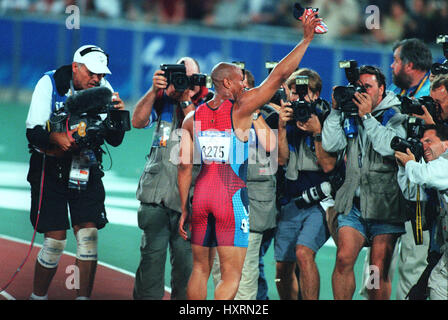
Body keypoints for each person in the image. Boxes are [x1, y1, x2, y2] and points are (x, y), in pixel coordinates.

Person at [177, 10, 321, 300]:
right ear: (227, 83)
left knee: (200, 271)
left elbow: (183, 168)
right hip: (231, 198)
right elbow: (279, 75)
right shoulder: (241, 109)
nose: (245, 85)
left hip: (201, 195)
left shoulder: (192, 118)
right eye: (241, 81)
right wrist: (305, 40)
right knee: (232, 276)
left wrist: (184, 208)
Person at [25, 44, 126, 300]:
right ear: (75, 68)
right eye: (92, 73)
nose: (97, 79)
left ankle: (83, 298)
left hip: (85, 164)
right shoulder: (49, 83)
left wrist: (117, 117)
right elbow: (33, 132)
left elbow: (115, 140)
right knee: (55, 242)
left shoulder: (104, 90)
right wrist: (56, 138)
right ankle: (38, 296)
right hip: (50, 167)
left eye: (102, 74)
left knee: (89, 236)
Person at [322, 65, 407, 300]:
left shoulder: (396, 114)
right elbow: (331, 145)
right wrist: (336, 112)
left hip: (385, 205)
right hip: (354, 204)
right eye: (359, 87)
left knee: (376, 270)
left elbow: (388, 147)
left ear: (381, 89)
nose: (362, 92)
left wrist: (367, 117)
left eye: (368, 87)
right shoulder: (351, 112)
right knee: (343, 258)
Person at [132, 57, 211, 300]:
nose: (182, 82)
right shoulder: (163, 99)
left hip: (190, 201)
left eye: (188, 78)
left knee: (187, 270)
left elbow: (203, 140)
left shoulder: (210, 103)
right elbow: (137, 121)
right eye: (179, 75)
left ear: (198, 80)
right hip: (156, 195)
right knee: (150, 263)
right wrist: (153, 90)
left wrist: (186, 100)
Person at [210, 69, 279, 300]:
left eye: (248, 88)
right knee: (221, 274)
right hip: (221, 206)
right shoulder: (217, 113)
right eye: (240, 87)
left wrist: (254, 113)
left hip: (253, 208)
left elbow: (271, 147)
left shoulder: (267, 114)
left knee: (246, 276)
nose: (243, 91)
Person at [274, 68, 338, 300]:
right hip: (290, 202)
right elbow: (281, 160)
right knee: (282, 267)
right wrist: (281, 128)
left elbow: (329, 166)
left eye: (305, 93)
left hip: (319, 204)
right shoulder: (285, 118)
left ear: (317, 94)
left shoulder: (330, 119)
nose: (299, 98)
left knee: (303, 253)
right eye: (294, 92)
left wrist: (317, 132)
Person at [386, 38, 433, 300]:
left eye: (395, 60)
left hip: (421, 196)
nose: (392, 66)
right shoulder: (397, 90)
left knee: (412, 266)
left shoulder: (434, 95)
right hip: (391, 189)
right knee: (377, 264)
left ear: (409, 65)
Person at [394, 125, 448, 300]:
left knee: (437, 283)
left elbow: (422, 176)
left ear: (446, 145)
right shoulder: (434, 170)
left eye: (429, 141)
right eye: (422, 142)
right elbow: (413, 193)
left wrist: (410, 163)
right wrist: (404, 168)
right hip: (442, 248)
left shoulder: (444, 165)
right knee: (434, 284)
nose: (424, 146)